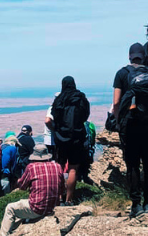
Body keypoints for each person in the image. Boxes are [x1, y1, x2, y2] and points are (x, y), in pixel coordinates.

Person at [111, 42, 148, 218]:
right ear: (144, 57)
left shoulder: (122, 73)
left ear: (129, 56)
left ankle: (136, 204)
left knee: (132, 164)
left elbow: (117, 102)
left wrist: (118, 122)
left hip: (130, 126)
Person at [0, 144, 63, 236]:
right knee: (20, 209)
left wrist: (19, 180)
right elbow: (62, 188)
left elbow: (22, 186)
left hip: (37, 208)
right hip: (53, 206)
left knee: (10, 208)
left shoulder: (31, 167)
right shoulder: (57, 166)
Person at [49, 76, 90, 205]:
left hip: (61, 138)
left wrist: (57, 130)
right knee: (73, 169)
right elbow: (85, 115)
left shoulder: (59, 100)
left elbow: (54, 117)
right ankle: (69, 199)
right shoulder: (81, 98)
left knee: (59, 167)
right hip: (77, 137)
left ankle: (59, 197)